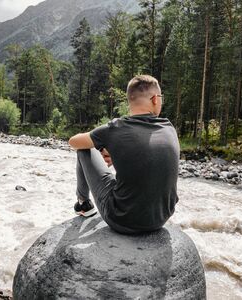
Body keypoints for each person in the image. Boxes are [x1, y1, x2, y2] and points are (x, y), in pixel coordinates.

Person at [68, 75, 180, 234]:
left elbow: (73, 142)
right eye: (161, 97)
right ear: (155, 99)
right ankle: (84, 203)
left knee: (86, 149)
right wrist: (116, 151)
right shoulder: (168, 128)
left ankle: (83, 204)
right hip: (161, 218)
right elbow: (148, 156)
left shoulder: (116, 128)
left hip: (122, 220)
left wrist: (104, 147)